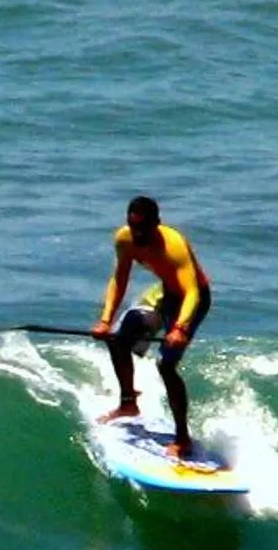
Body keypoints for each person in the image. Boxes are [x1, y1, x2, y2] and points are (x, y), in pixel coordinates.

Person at [90, 194, 213, 463]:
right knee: (118, 339)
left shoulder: (174, 246)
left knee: (166, 366)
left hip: (193, 300)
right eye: (133, 226)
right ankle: (128, 403)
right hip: (165, 294)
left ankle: (182, 438)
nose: (138, 233)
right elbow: (119, 279)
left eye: (144, 228)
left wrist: (179, 328)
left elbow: (192, 291)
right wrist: (105, 320)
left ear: (157, 223)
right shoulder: (125, 239)